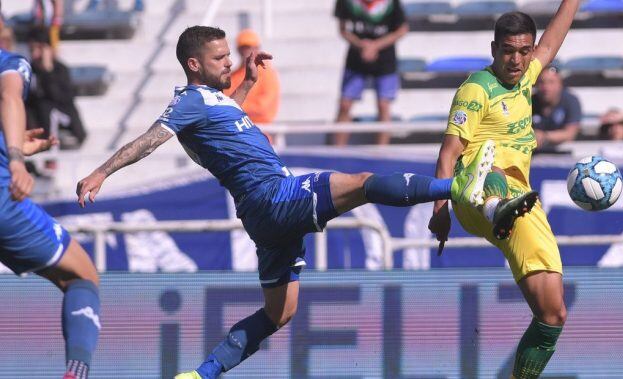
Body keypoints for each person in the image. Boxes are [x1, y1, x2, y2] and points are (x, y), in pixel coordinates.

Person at [74, 26, 516, 379]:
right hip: (274, 196)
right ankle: (459, 188)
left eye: (228, 54)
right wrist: (101, 172)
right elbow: (148, 141)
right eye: (219, 58)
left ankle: (200, 375)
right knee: (361, 183)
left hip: (262, 217)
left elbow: (223, 120)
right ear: (194, 64)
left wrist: (246, 82)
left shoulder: (211, 101)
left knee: (279, 313)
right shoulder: (187, 103)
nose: (228, 61)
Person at [429, 4, 579, 378]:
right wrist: (439, 210)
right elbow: (448, 153)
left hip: (520, 200)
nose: (516, 59)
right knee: (489, 157)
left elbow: (551, 42)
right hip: (472, 191)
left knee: (553, 313)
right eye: (508, 51)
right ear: (493, 48)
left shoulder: (527, 76)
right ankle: (496, 205)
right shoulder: (476, 89)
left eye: (523, 51)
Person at [0, 4, 101, 378]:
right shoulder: (10, 62)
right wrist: (14, 159)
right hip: (2, 200)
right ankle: (77, 372)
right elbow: (9, 97)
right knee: (82, 275)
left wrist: (11, 143)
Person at [333, 0, 408, 146]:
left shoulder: (391, 3)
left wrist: (375, 46)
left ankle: (381, 152)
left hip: (385, 58)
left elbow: (402, 29)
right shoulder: (347, 3)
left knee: (383, 105)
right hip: (356, 57)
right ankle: (338, 150)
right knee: (345, 104)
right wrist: (361, 45)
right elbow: (343, 30)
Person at [25, 26, 87, 149]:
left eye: (38, 49)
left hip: (65, 118)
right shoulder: (29, 71)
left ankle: (50, 151)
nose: (35, 54)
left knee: (47, 108)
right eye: (32, 49)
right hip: (39, 121)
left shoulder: (60, 69)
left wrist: (47, 71)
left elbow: (63, 99)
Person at [222, 29, 279, 127]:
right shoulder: (232, 76)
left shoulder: (268, 74)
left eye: (252, 47)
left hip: (261, 132)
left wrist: (234, 107)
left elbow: (263, 110)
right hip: (235, 132)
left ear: (258, 48)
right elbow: (223, 107)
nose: (248, 50)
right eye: (244, 47)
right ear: (238, 50)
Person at [532, 65, 581, 151]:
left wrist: (544, 136)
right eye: (541, 82)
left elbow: (570, 134)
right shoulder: (529, 102)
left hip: (564, 153)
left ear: (560, 84)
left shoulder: (570, 101)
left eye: (551, 82)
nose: (546, 87)